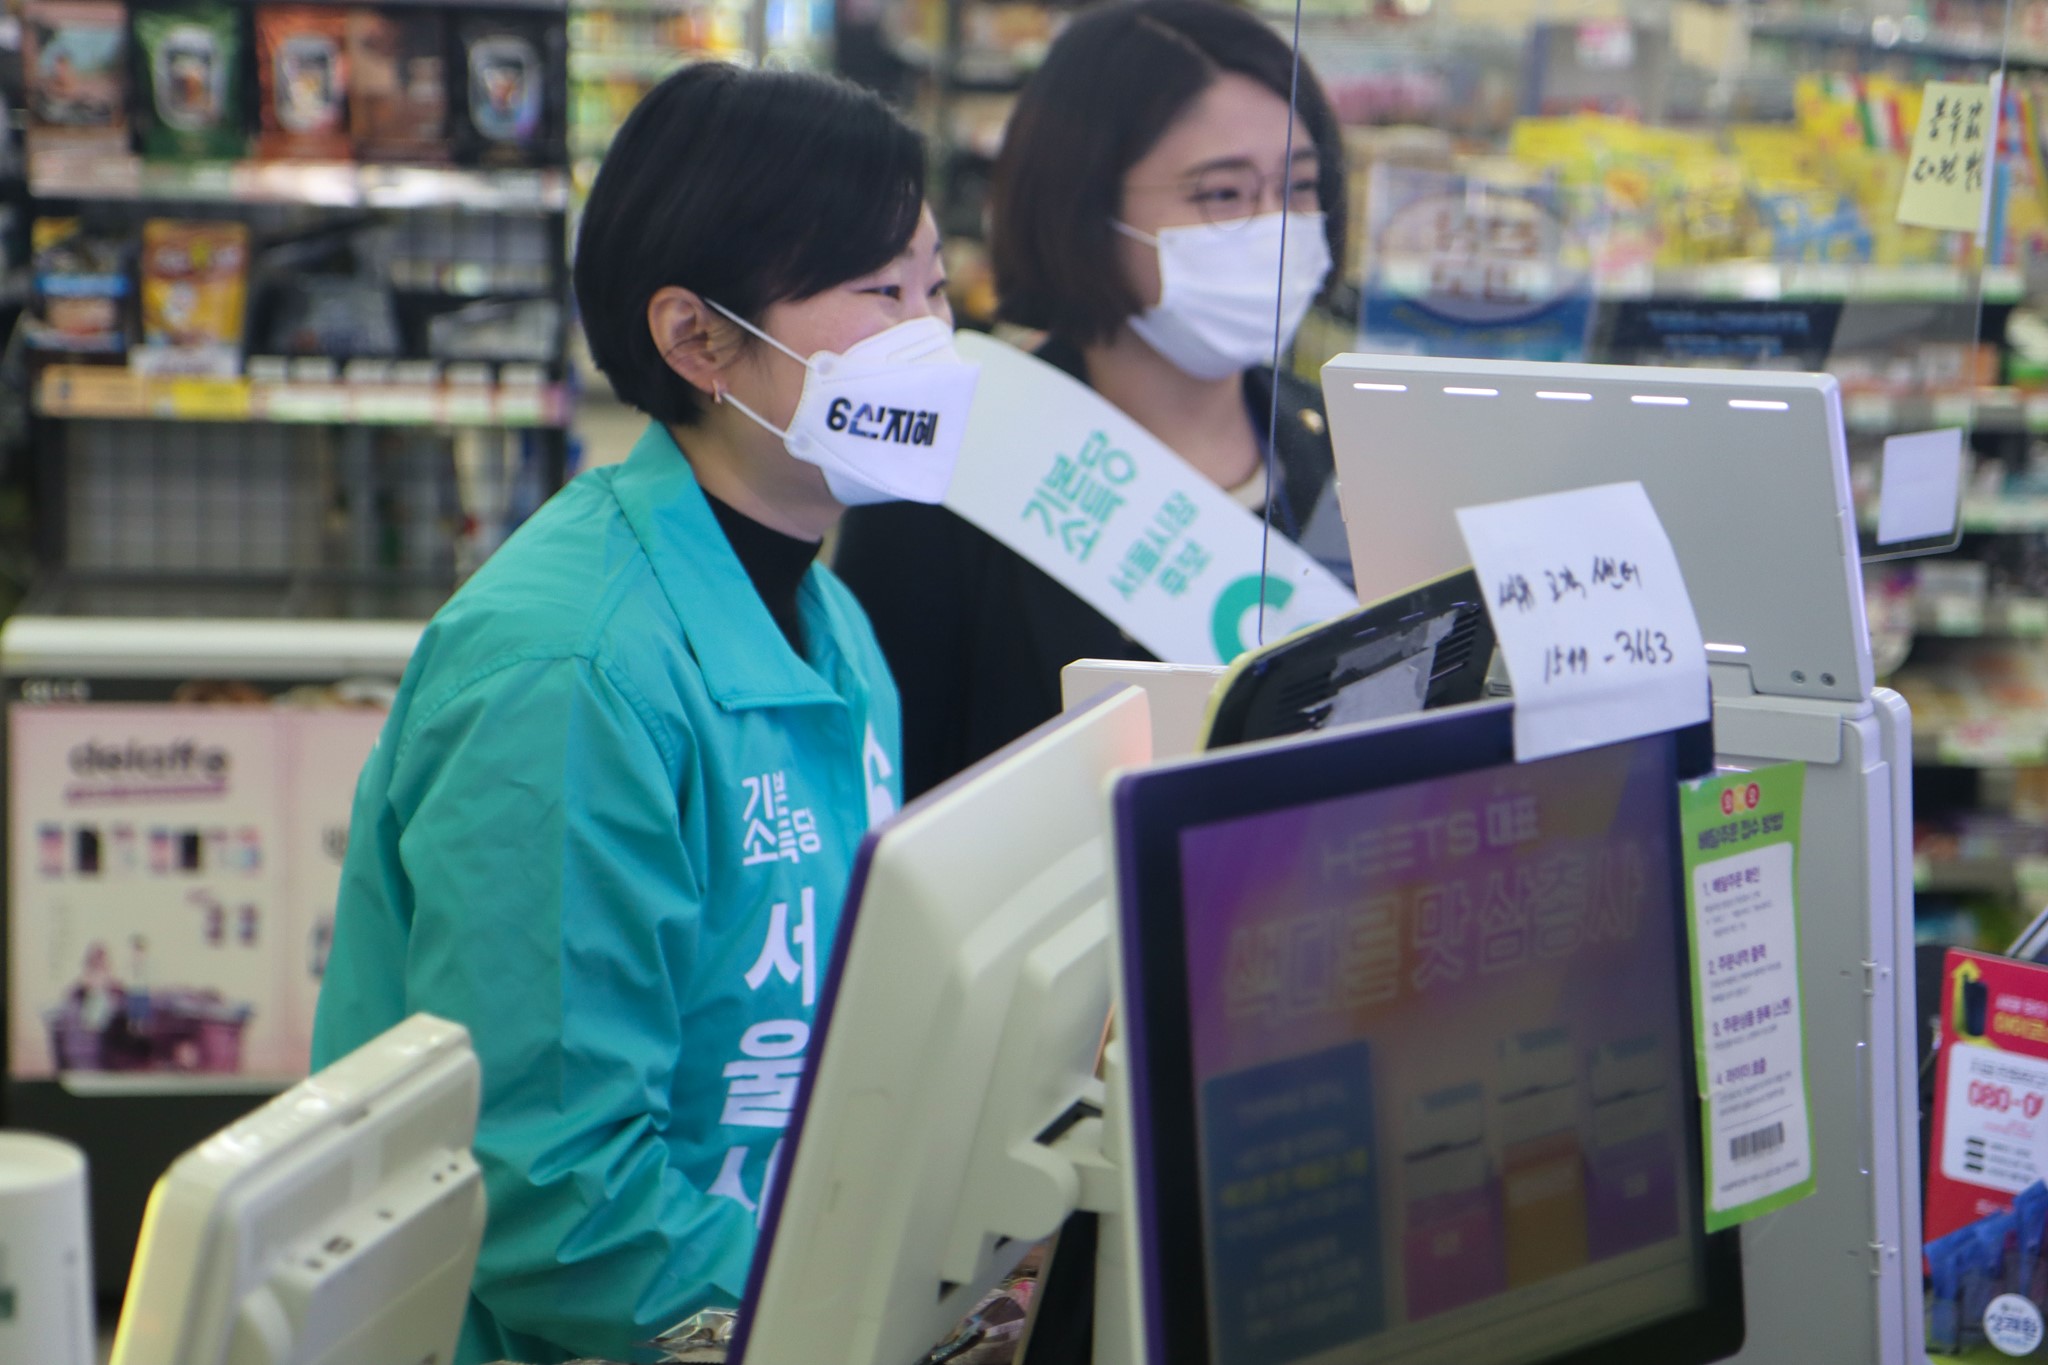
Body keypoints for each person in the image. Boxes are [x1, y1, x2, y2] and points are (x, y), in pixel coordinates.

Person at [311, 64, 979, 1365]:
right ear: (698, 339)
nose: (929, 333)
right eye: (879, 290)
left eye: (937, 287)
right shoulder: (570, 667)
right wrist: (864, 1314)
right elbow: (550, 1191)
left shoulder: (825, 620)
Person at [834, 0, 1350, 799]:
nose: (1276, 229)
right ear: (1085, 205)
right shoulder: (946, 470)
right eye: (1221, 195)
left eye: (1302, 187)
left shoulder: (1343, 449)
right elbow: (887, 798)